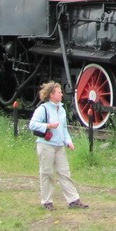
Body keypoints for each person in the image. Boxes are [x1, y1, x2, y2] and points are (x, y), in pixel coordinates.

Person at [29, 81, 89, 211]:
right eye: (59, 92)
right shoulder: (43, 109)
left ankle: (73, 200)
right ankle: (47, 202)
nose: (62, 94)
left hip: (59, 146)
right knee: (46, 173)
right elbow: (32, 125)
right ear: (51, 95)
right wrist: (48, 126)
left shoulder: (61, 110)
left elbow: (64, 129)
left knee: (65, 173)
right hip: (46, 145)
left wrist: (68, 141)